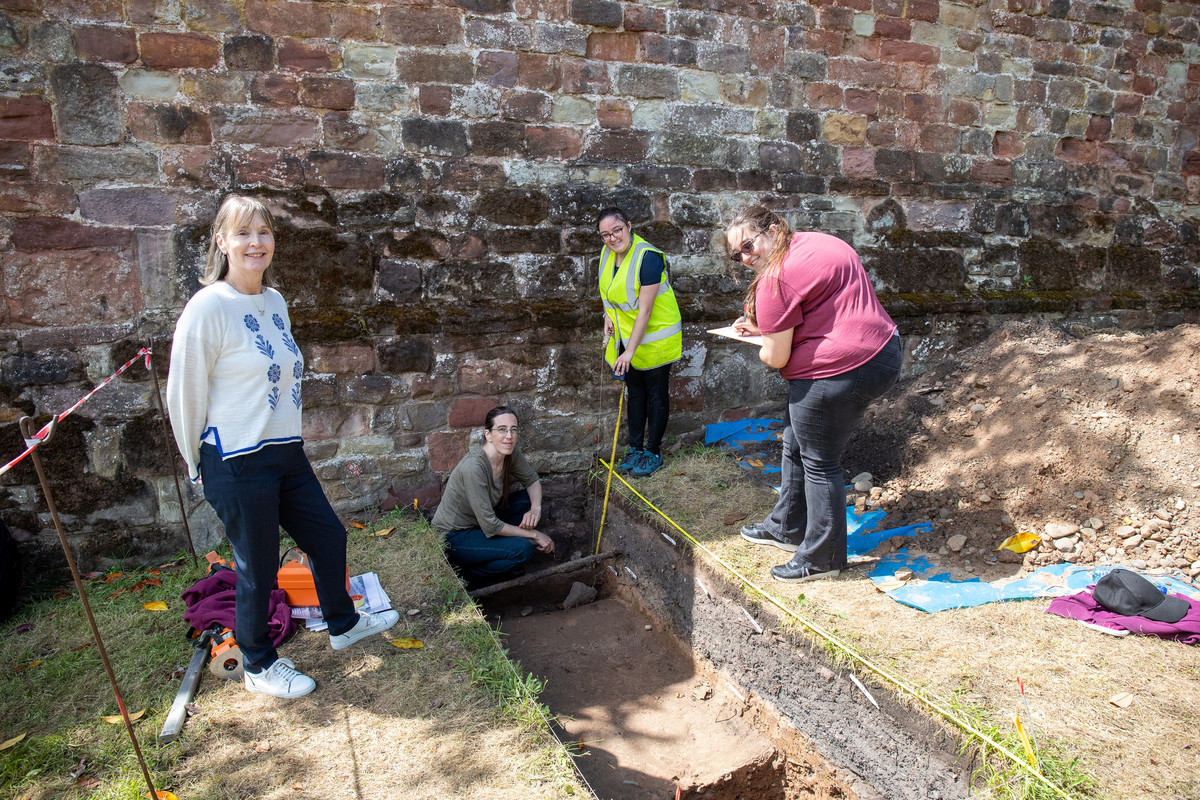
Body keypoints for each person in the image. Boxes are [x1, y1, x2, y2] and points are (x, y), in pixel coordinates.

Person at [167, 194, 399, 699]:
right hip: (234, 458)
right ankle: (258, 664)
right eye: (243, 233)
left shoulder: (275, 303)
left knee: (328, 538)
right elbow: (183, 395)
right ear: (221, 240)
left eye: (264, 233)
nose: (256, 243)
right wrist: (195, 463)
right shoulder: (207, 308)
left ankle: (343, 624)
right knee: (259, 567)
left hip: (284, 453)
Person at [726, 206, 901, 583]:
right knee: (794, 439)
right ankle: (786, 527)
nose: (745, 257)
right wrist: (765, 326)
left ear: (773, 229)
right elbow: (821, 308)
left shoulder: (774, 280)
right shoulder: (821, 243)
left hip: (837, 371)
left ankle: (823, 557)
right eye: (736, 254)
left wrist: (762, 341)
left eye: (748, 244)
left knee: (820, 462)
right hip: (884, 350)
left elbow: (776, 357)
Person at [596, 207, 683, 479]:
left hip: (656, 338)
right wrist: (607, 316)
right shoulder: (607, 254)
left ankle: (653, 452)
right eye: (605, 235)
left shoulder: (649, 258)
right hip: (627, 337)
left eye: (617, 230)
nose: (612, 238)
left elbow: (644, 311)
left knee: (655, 394)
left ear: (629, 226)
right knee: (635, 393)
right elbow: (608, 291)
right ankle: (635, 449)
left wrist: (629, 352)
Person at [432, 406, 554, 589]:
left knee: (526, 502)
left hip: (481, 523)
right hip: (454, 536)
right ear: (488, 435)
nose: (509, 436)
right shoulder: (474, 468)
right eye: (502, 429)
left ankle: (495, 554)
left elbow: (532, 480)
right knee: (522, 550)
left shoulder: (509, 453)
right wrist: (535, 535)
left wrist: (535, 508)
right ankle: (463, 577)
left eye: (514, 429)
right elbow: (490, 524)